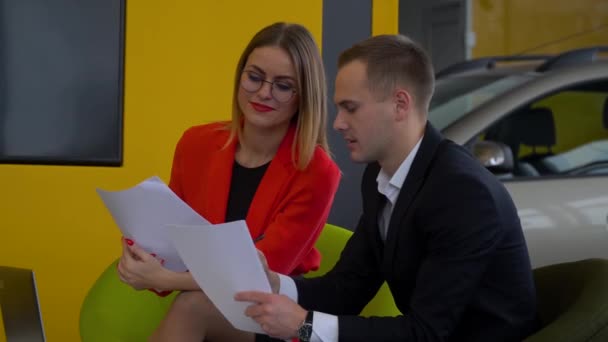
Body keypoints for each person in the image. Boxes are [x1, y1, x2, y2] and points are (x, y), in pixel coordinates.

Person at [235, 34, 539, 341]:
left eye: (350, 108)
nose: (338, 123)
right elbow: (348, 288)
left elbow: (426, 333)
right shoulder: (380, 175)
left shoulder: (462, 193)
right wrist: (276, 284)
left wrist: (305, 324)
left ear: (400, 105)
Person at [116, 22, 341, 341]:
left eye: (283, 85)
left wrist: (166, 278)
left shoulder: (317, 171)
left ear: (303, 96)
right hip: (204, 307)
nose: (264, 92)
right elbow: (168, 231)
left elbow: (254, 276)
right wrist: (140, 255)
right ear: (240, 78)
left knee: (191, 305)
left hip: (269, 318)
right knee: (193, 304)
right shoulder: (196, 143)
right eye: (255, 77)